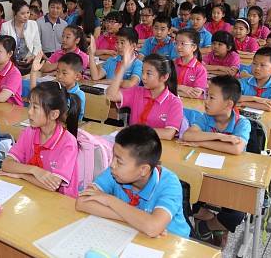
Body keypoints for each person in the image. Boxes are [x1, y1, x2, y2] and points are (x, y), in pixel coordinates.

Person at [76, 124, 190, 238]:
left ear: (143, 169)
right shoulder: (114, 172)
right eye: (114, 156)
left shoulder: (169, 184)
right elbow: (82, 202)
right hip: (133, 234)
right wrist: (139, 222)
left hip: (171, 242)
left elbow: (152, 228)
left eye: (119, 161)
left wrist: (110, 200)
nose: (112, 164)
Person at [178, 75, 251, 243]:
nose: (206, 100)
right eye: (206, 95)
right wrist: (220, 137)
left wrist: (201, 142)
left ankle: (207, 225)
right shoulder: (205, 117)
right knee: (183, 196)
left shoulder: (242, 123)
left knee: (236, 214)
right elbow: (188, 135)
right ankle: (207, 216)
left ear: (228, 104)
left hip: (229, 178)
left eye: (211, 97)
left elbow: (236, 148)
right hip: (203, 174)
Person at [1, 82, 80, 198]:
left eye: (35, 108)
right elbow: (6, 164)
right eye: (29, 105)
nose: (29, 112)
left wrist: (22, 175)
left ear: (54, 114)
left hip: (59, 200)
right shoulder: (28, 132)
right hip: (31, 193)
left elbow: (52, 186)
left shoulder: (68, 143)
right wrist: (34, 170)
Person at [106, 53, 183, 140]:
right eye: (142, 71)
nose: (143, 77)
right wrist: (122, 68)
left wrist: (135, 131)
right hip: (134, 144)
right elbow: (111, 95)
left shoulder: (174, 102)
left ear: (164, 77)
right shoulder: (136, 92)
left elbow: (168, 134)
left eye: (148, 73)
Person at [30, 52, 86, 120]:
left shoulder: (79, 95)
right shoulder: (56, 87)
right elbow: (35, 97)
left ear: (77, 76)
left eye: (64, 73)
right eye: (57, 71)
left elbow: (64, 118)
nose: (59, 76)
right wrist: (33, 72)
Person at [0, 0, 42, 68]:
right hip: (11, 62)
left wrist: (32, 57)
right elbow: (4, 48)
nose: (26, 16)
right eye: (22, 13)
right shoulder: (6, 26)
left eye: (28, 12)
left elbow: (37, 45)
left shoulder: (33, 24)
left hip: (30, 61)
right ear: (15, 13)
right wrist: (13, 60)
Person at [174, 29, 207, 99]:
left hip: (192, 103)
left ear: (194, 47)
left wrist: (173, 89)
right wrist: (182, 88)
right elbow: (163, 87)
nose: (178, 47)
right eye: (176, 43)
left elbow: (196, 94)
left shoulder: (200, 69)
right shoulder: (172, 64)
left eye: (182, 43)